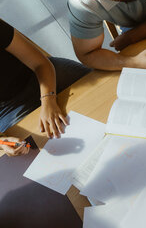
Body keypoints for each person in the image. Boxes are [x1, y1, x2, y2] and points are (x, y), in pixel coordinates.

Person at [1, 19, 90, 155]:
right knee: (46, 148)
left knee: (103, 84)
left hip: (40, 74)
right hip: (9, 110)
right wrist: (3, 143)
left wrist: (48, 100)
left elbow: (40, 64)